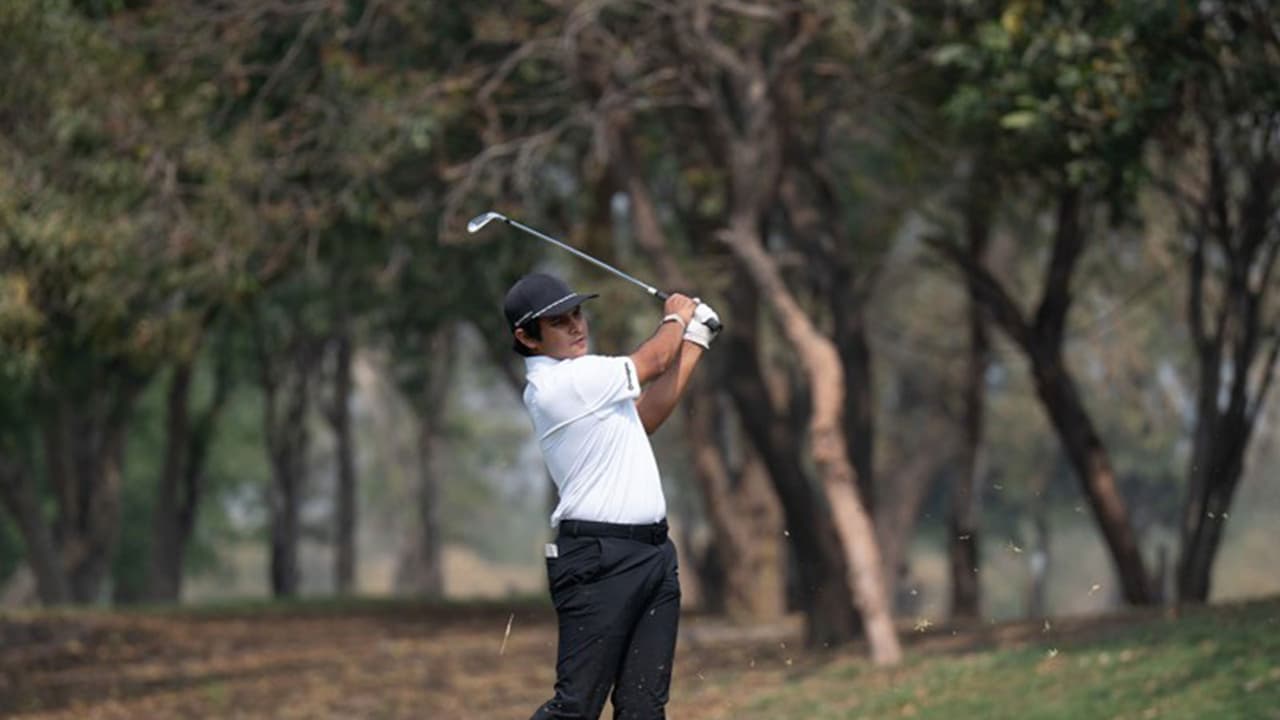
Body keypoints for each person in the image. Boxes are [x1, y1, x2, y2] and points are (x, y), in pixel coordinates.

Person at [503, 271, 720, 720]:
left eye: (576, 314)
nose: (576, 326)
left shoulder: (589, 384)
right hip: (599, 559)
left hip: (653, 554)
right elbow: (655, 359)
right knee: (576, 708)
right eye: (559, 322)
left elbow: (646, 417)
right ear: (527, 337)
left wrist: (696, 340)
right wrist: (677, 317)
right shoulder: (562, 384)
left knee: (644, 707)